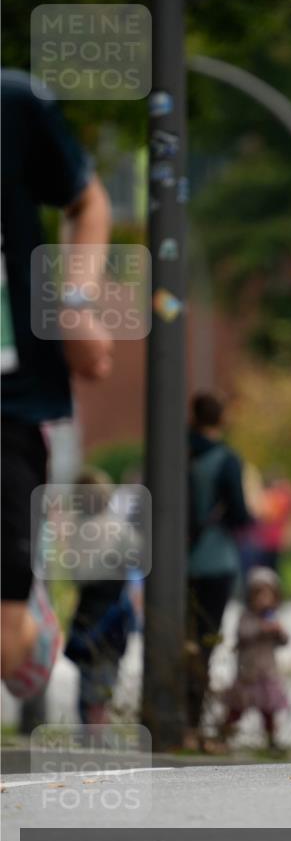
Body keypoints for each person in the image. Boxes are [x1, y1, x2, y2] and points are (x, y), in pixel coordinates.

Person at [1, 69, 113, 698]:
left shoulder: (15, 106)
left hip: (11, 400)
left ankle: (27, 609)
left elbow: (86, 199)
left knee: (7, 646)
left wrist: (74, 304)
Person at [186, 392, 252, 748]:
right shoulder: (226, 460)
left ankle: (174, 719)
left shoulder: (174, 451)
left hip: (174, 562)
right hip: (214, 559)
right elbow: (239, 514)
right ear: (220, 419)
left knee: (180, 638)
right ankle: (193, 723)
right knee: (205, 641)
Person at [62, 469, 138, 724]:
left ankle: (93, 724)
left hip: (98, 606)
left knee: (94, 671)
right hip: (106, 606)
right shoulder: (109, 525)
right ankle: (95, 725)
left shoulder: (77, 525)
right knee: (100, 670)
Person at [220, 567, 289, 752]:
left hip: (267, 673)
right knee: (237, 708)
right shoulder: (247, 617)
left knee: (268, 711)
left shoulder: (273, 618)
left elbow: (284, 641)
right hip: (248, 673)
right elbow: (242, 634)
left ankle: (271, 739)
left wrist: (278, 631)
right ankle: (223, 735)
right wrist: (261, 629)